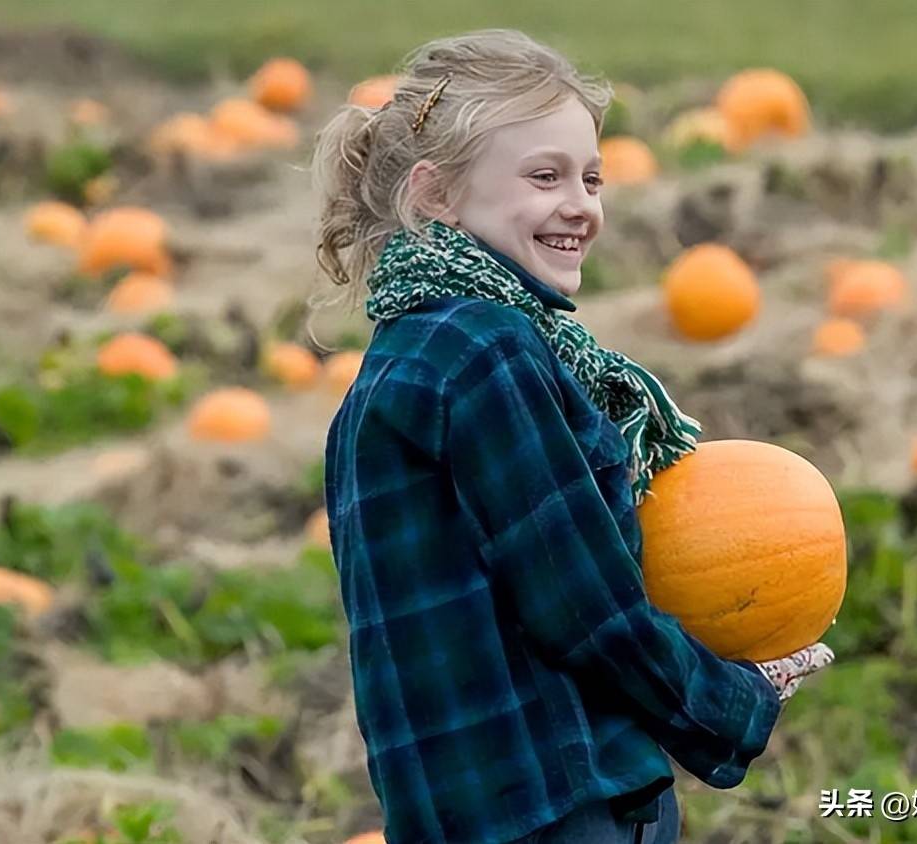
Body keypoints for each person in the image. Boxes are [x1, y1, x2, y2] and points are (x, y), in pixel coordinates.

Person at [312, 29, 834, 844]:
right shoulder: (485, 354)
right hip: (558, 806)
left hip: (466, 810)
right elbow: (587, 607)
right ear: (436, 195)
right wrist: (737, 698)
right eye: (544, 176)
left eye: (591, 177)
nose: (581, 204)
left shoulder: (397, 365)